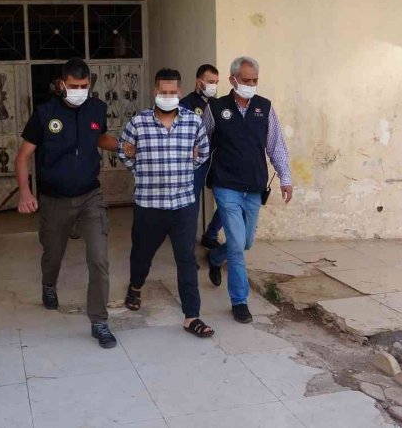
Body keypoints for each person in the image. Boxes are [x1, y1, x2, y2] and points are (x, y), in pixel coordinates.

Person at [15, 57, 121, 349]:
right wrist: (25, 193)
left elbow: (99, 138)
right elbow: (23, 157)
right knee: (53, 255)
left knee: (98, 259)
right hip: (54, 199)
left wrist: (124, 146)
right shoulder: (44, 113)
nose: (79, 91)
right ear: (62, 84)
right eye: (74, 86)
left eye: (84, 86)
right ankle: (49, 284)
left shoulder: (97, 108)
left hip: (90, 196)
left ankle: (99, 321)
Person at [118, 68, 214, 338]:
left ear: (180, 92)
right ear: (155, 92)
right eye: (164, 92)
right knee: (142, 254)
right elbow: (124, 151)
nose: (168, 96)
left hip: (183, 205)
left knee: (186, 260)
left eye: (173, 92)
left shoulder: (192, 122)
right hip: (149, 205)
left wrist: (186, 167)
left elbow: (203, 153)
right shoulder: (139, 122)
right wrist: (140, 171)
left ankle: (192, 316)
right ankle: (135, 286)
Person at [203, 56, 293, 324]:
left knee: (245, 242)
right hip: (226, 185)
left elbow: (275, 145)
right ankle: (239, 300)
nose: (251, 85)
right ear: (233, 80)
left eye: (255, 80)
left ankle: (215, 257)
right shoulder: (216, 108)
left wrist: (286, 178)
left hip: (254, 186)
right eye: (246, 80)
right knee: (237, 246)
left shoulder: (265, 107)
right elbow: (202, 141)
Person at [180, 64, 224, 250]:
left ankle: (211, 234)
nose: (214, 86)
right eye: (210, 82)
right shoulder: (185, 104)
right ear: (199, 82)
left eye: (216, 82)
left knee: (228, 202)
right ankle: (187, 247)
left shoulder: (219, 105)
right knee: (192, 206)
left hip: (216, 162)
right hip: (195, 164)